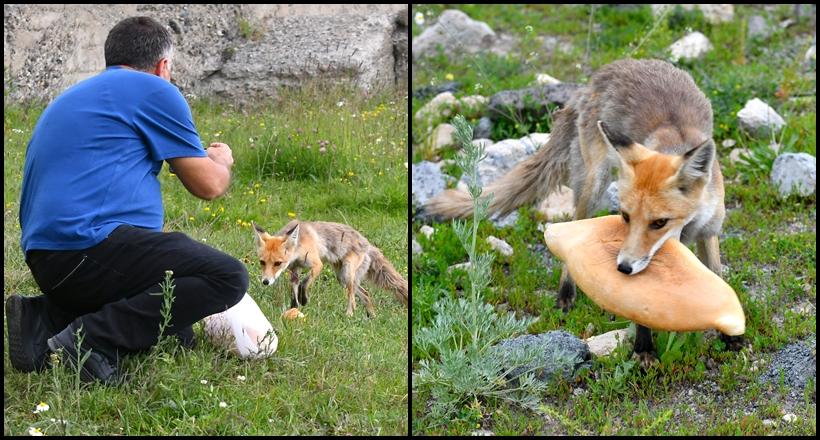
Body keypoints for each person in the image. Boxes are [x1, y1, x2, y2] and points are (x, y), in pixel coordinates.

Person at [7, 16, 247, 384]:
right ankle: (90, 343)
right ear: (163, 66)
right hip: (87, 248)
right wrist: (221, 160)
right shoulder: (154, 90)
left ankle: (44, 321)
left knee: (178, 329)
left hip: (49, 260)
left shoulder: (77, 95)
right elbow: (209, 186)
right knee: (227, 276)